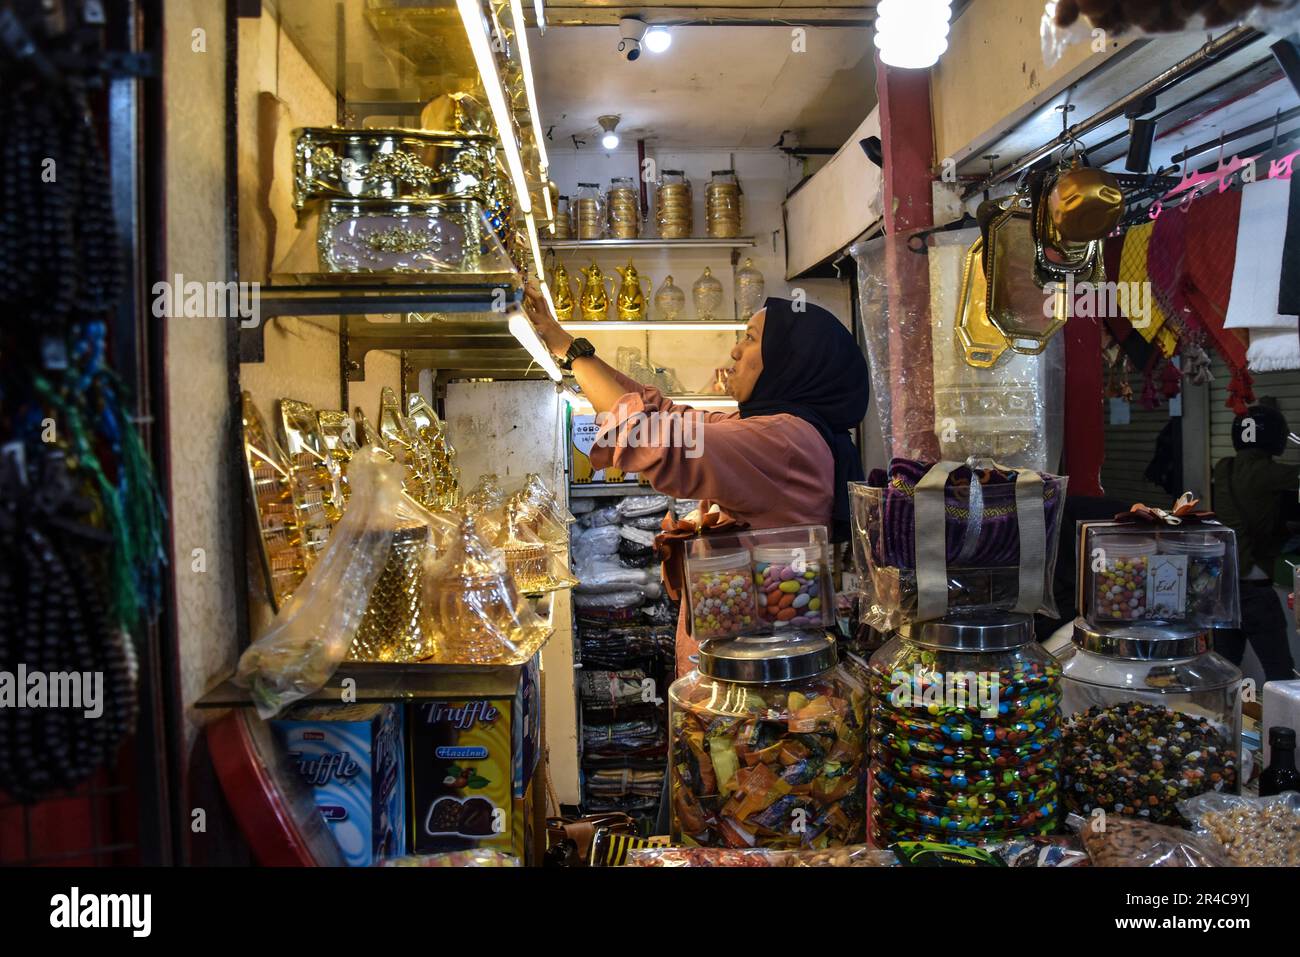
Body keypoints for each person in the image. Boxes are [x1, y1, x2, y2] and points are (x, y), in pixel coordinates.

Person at [523, 282, 870, 676]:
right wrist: (569, 347)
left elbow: (651, 436)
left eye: (751, 339)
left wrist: (572, 354)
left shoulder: (782, 441)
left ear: (791, 359)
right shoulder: (779, 430)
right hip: (755, 656)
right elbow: (666, 412)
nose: (735, 351)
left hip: (758, 675)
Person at [1211, 398, 1299, 682]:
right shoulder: (1270, 473)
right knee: (1280, 672)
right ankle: (1284, 724)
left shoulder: (1223, 468)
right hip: (1255, 588)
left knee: (1224, 670)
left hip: (1224, 587)